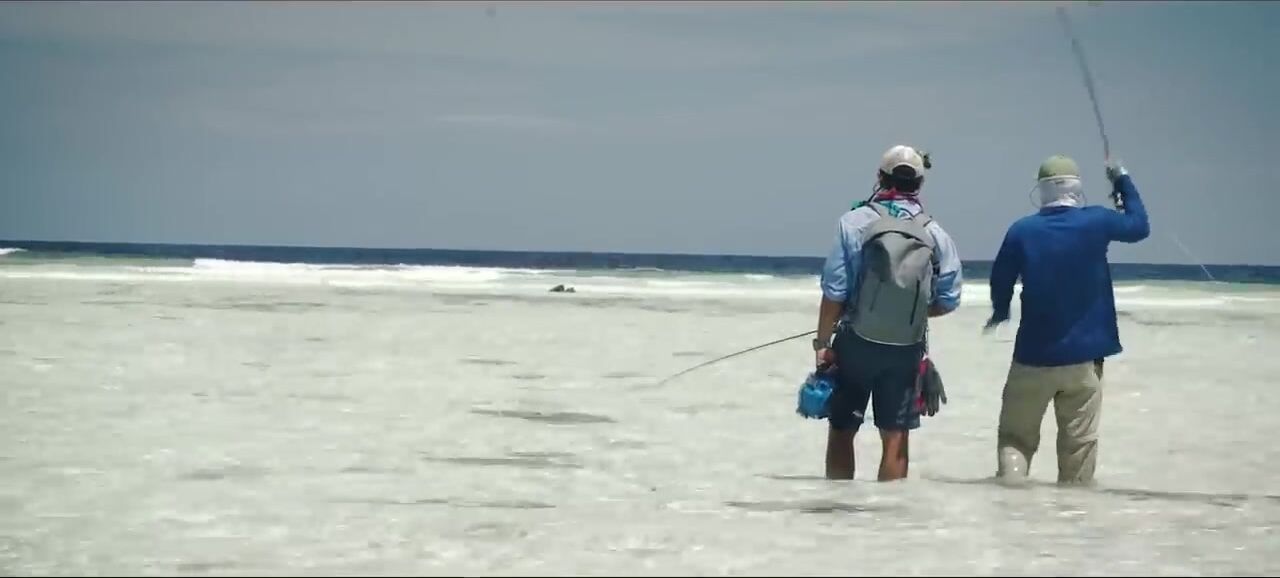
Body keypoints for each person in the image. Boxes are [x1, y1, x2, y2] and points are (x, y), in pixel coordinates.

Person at [984, 154, 1150, 486]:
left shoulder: (1022, 230)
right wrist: (1121, 179)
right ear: (1076, 188)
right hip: (1085, 360)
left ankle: (1009, 503)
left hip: (1032, 356)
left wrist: (1000, 312)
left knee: (1015, 439)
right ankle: (1073, 513)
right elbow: (1138, 226)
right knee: (1079, 448)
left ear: (1041, 190)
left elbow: (1000, 279)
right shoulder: (1097, 221)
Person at [814, 145, 963, 481]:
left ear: (880, 177)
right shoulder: (935, 233)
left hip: (856, 342)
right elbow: (949, 299)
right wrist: (909, 315)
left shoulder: (853, 222)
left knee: (843, 429)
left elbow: (834, 291)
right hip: (906, 349)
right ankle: (890, 511)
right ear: (920, 184)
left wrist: (823, 344)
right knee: (895, 437)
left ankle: (837, 507)